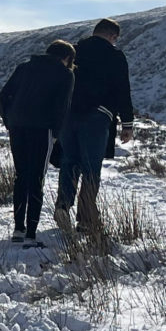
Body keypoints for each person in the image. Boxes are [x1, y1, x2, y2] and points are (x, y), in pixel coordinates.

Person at [54, 18, 135, 234]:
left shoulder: (73, 51)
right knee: (91, 168)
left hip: (68, 114)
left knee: (70, 161)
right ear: (113, 36)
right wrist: (127, 123)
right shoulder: (115, 56)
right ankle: (87, 218)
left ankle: (63, 206)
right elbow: (122, 89)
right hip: (97, 115)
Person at [0, 39, 76, 245]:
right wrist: (56, 133)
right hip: (43, 129)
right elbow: (62, 107)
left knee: (21, 176)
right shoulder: (65, 74)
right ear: (67, 58)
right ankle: (31, 233)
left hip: (17, 127)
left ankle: (18, 229)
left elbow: (3, 96)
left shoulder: (24, 68)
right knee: (37, 178)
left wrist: (9, 120)